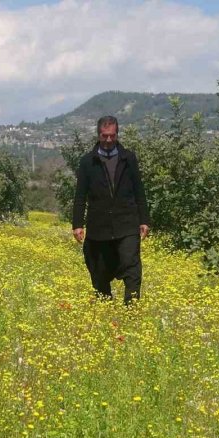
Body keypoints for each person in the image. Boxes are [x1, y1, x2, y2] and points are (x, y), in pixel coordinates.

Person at [72, 116, 151, 305]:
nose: (108, 140)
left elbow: (139, 190)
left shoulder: (128, 158)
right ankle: (104, 306)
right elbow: (80, 195)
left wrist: (144, 220)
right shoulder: (87, 162)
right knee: (98, 270)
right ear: (98, 134)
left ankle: (131, 309)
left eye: (112, 136)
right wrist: (77, 224)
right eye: (104, 136)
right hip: (99, 226)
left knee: (132, 266)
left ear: (117, 134)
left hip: (127, 223)